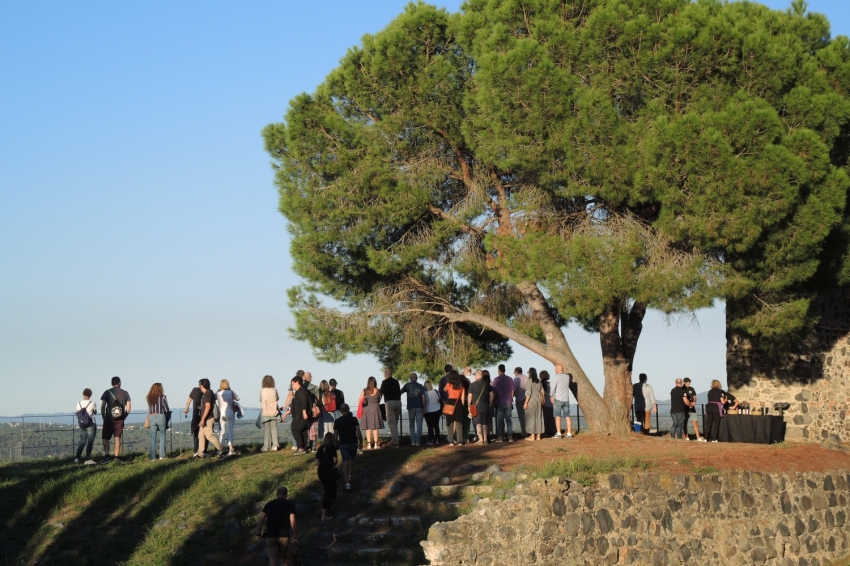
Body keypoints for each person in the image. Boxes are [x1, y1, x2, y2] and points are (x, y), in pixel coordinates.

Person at [256, 486, 297, 566]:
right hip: (284, 537)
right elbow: (293, 522)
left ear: (276, 494)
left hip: (270, 536)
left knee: (272, 560)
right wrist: (296, 536)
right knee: (284, 558)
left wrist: (258, 534)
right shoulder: (289, 505)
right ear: (286, 495)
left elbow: (261, 520)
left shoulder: (269, 504)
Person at [100, 376, 131, 464]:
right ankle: (116, 457)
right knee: (117, 437)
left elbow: (103, 406)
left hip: (108, 419)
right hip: (120, 419)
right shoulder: (125, 393)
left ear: (112, 383)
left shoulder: (107, 392)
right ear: (119, 383)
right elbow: (128, 408)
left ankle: (107, 456)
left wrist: (103, 416)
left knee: (105, 437)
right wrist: (123, 417)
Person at [333, 403, 362, 490]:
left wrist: (334, 446)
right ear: (348, 410)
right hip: (353, 442)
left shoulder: (337, 421)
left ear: (341, 411)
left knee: (345, 461)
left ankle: (347, 482)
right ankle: (350, 475)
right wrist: (361, 441)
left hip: (343, 443)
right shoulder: (354, 419)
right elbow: (358, 431)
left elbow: (335, 435)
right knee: (353, 458)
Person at [194, 379, 223, 459]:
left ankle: (223, 450)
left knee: (209, 436)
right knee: (201, 435)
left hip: (208, 419)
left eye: (199, 385)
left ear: (202, 385)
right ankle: (200, 453)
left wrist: (203, 419)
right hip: (206, 418)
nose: (199, 386)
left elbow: (208, 407)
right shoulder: (209, 393)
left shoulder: (207, 394)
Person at [467, 369, 494, 445]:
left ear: (476, 375)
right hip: (485, 406)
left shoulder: (472, 385)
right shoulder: (487, 384)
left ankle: (480, 439)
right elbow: (492, 395)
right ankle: (485, 439)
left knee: (478, 423)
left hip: (476, 407)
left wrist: (469, 405)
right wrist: (490, 404)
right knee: (485, 423)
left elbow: (469, 396)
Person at [316, 432, 338, 521]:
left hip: (321, 471)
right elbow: (335, 460)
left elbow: (316, 462)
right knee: (328, 491)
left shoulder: (320, 448)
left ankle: (329, 505)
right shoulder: (332, 448)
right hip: (329, 471)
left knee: (329, 487)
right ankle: (324, 514)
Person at [401, 372, 426, 446]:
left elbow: (401, 392)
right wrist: (424, 406)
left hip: (411, 407)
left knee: (411, 424)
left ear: (410, 378)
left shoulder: (407, 385)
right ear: (417, 378)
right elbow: (423, 396)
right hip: (419, 406)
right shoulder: (420, 386)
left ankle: (413, 440)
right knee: (419, 424)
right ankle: (418, 441)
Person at [146, 383, 170, 461]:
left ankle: (152, 457)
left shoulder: (149, 397)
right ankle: (161, 456)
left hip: (152, 417)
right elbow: (166, 409)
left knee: (153, 437)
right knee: (162, 436)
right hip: (160, 416)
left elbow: (150, 409)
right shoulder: (162, 397)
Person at [492, 364, 515, 442]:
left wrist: (494, 401)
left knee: (500, 420)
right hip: (508, 401)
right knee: (509, 420)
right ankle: (510, 436)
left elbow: (494, 392)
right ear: (505, 370)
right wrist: (511, 399)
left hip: (499, 402)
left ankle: (500, 437)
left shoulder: (496, 380)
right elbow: (512, 391)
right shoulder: (510, 379)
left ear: (498, 370)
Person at [359, 376, 384, 449]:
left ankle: (369, 444)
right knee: (375, 428)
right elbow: (379, 399)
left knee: (368, 428)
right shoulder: (379, 391)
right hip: (376, 409)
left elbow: (360, 400)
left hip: (367, 410)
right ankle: (376, 444)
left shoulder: (365, 391)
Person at [217, 379, 240, 456]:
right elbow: (238, 398)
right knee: (230, 431)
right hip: (230, 412)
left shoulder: (218, 393)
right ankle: (230, 448)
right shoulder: (231, 392)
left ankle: (221, 448)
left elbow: (213, 398)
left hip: (221, 413)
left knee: (222, 431)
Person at [550, 364, 573, 439]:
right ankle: (569, 433)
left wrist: (551, 396)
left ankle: (559, 433)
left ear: (557, 369)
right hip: (566, 399)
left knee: (557, 416)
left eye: (555, 369)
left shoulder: (557, 377)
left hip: (558, 399)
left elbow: (553, 388)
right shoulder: (567, 377)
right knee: (567, 416)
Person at [74, 388, 97, 464]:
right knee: (90, 442)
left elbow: (78, 412)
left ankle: (77, 458)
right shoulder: (92, 403)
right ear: (90, 395)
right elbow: (95, 411)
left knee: (82, 442)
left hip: (82, 424)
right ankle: (87, 459)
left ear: (83, 394)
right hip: (91, 423)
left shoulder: (78, 403)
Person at [380, 369, 402, 447]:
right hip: (398, 402)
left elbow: (381, 393)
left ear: (386, 374)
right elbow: (399, 392)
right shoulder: (396, 381)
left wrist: (377, 402)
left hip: (390, 403)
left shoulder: (384, 382)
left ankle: (395, 442)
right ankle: (394, 439)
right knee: (395, 422)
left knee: (391, 423)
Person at [444, 370, 466, 446]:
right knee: (459, 422)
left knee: (450, 422)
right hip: (458, 403)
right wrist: (462, 406)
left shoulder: (449, 384)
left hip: (450, 402)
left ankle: (451, 440)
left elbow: (444, 390)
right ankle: (460, 440)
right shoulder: (461, 385)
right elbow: (463, 397)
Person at [289, 376, 310, 454]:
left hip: (300, 415)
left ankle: (300, 447)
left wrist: (304, 412)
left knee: (295, 429)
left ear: (297, 382)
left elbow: (303, 402)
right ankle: (303, 447)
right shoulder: (300, 391)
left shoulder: (301, 392)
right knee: (303, 430)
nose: (292, 386)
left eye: (293, 384)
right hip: (300, 414)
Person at [260, 375, 280, 452]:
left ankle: (266, 446)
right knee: (274, 428)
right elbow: (277, 398)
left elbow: (260, 399)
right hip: (273, 411)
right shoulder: (275, 390)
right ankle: (275, 445)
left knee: (267, 429)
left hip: (265, 411)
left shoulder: (262, 391)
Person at [524, 368, 545, 441]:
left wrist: (526, 403)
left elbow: (528, 393)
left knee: (531, 418)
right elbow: (542, 391)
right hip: (538, 400)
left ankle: (532, 435)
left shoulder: (530, 381)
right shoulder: (539, 381)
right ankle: (538, 435)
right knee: (539, 417)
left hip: (531, 401)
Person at [183, 381, 204, 454]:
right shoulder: (207, 391)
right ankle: (203, 450)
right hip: (204, 414)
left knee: (195, 432)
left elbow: (189, 400)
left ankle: (196, 450)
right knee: (203, 433)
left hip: (196, 414)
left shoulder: (195, 390)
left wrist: (186, 408)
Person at [683, 378, 705, 442]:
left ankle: (698, 437)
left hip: (692, 409)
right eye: (687, 382)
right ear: (684, 382)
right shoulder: (682, 389)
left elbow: (695, 397)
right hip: (685, 409)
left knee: (695, 422)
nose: (688, 383)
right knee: (685, 423)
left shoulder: (691, 389)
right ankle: (686, 437)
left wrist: (694, 402)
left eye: (689, 382)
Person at [540, 371, 556, 437]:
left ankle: (545, 431)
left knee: (544, 419)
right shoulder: (551, 384)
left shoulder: (540, 384)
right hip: (551, 403)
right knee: (551, 418)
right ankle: (552, 430)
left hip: (544, 403)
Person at [514, 367, 528, 437]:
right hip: (526, 399)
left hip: (519, 399)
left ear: (516, 372)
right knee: (527, 416)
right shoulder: (526, 377)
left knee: (521, 416)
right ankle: (528, 430)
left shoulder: (516, 379)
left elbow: (515, 389)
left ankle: (524, 431)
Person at [461, 367, 473, 443]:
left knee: (460, 421)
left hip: (461, 404)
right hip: (469, 404)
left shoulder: (460, 386)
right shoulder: (469, 386)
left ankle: (458, 436)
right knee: (468, 421)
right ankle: (466, 436)